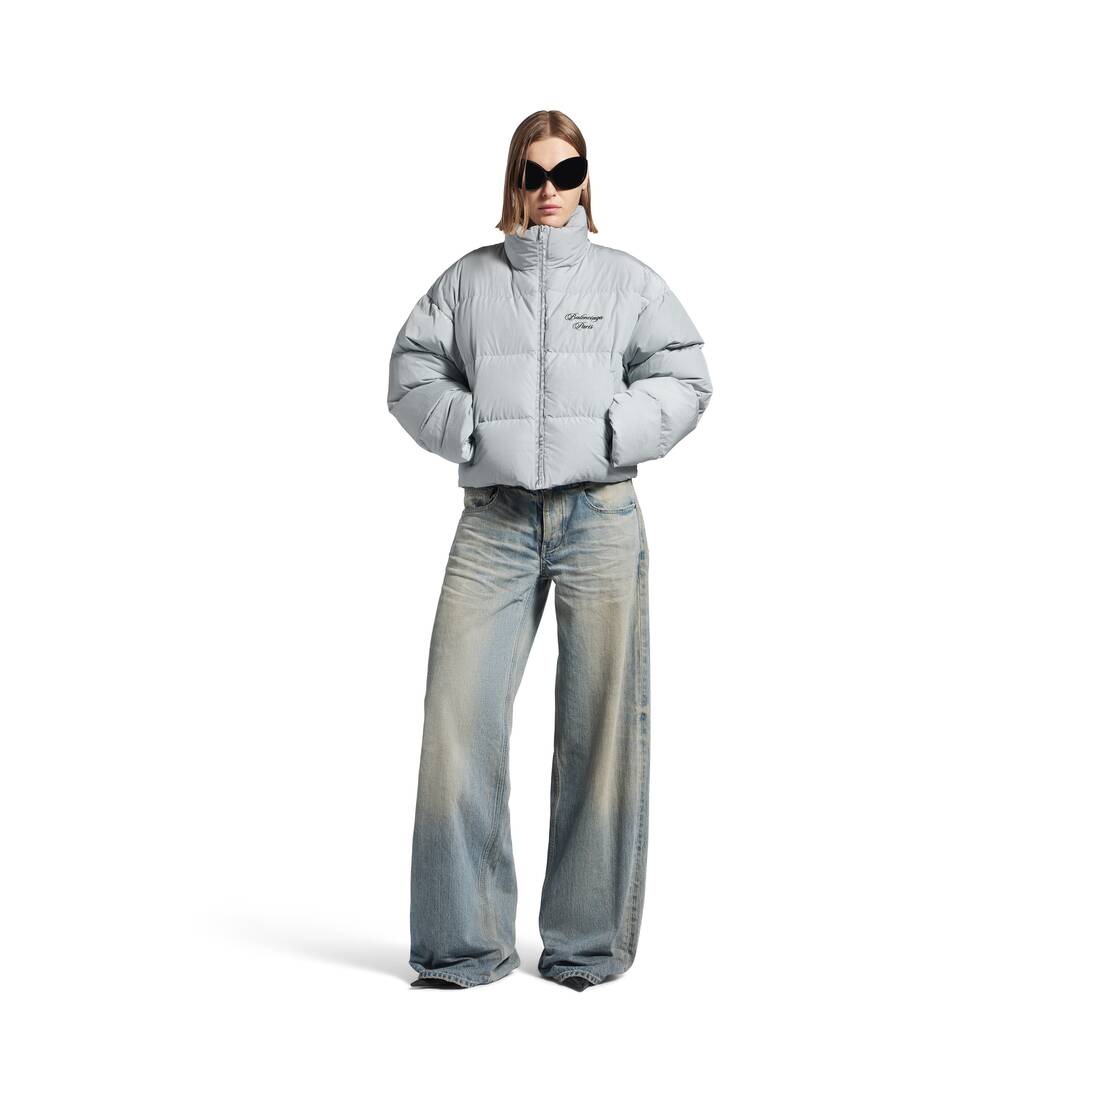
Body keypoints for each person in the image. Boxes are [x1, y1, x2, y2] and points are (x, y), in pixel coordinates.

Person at [388, 109, 713, 991]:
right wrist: (468, 427)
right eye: (533, 174)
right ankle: (462, 946)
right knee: (457, 720)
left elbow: (686, 374)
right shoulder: (468, 281)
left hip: (600, 517)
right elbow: (411, 370)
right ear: (513, 180)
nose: (548, 191)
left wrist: (615, 432)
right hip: (494, 520)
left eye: (565, 173)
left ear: (586, 181)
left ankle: (585, 946)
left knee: (599, 727)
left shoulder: (626, 281)